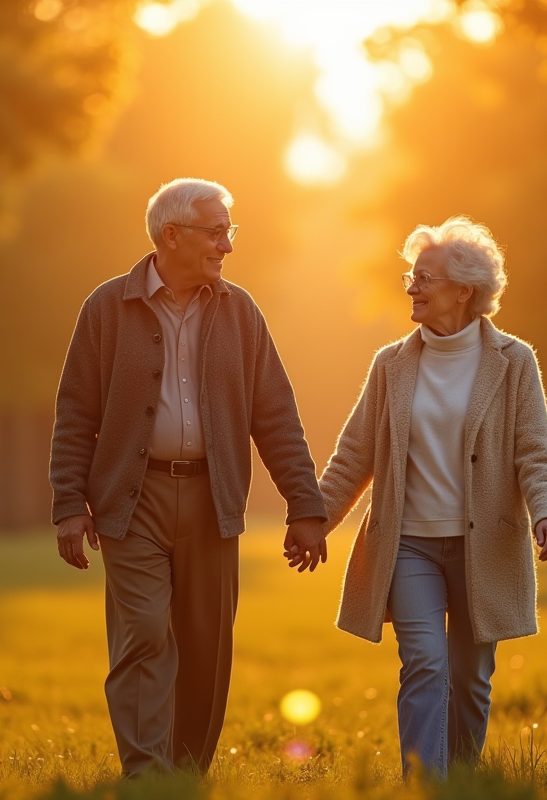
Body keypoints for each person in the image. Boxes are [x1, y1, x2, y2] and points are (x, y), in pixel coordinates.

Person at [51, 178, 327, 777]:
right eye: (216, 231)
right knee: (145, 629)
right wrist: (69, 501)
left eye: (230, 232)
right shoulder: (106, 307)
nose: (227, 246)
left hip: (213, 497)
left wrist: (304, 505)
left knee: (206, 645)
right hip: (133, 498)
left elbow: (276, 414)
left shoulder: (241, 312)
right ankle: (146, 773)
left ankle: (185, 773)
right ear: (170, 236)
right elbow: (76, 412)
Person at [293, 216, 547, 778]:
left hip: (483, 546)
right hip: (409, 544)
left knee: (469, 678)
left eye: (424, 278)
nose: (411, 287)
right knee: (424, 663)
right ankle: (424, 785)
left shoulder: (514, 362)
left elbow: (534, 452)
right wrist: (315, 519)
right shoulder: (391, 364)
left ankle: (460, 782)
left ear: (464, 291)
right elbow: (354, 455)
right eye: (409, 276)